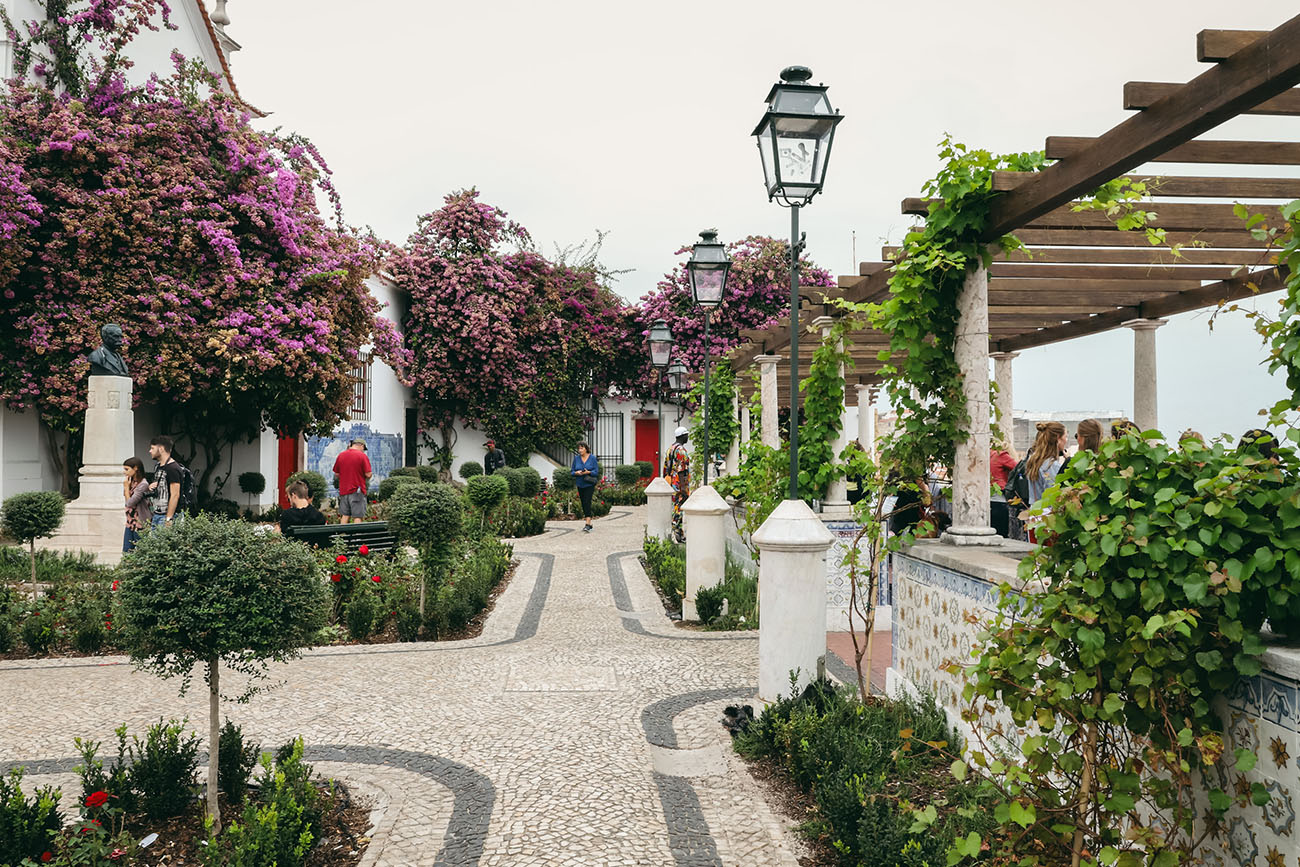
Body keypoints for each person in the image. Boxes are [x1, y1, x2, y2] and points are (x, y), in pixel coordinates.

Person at [147, 435, 186, 527]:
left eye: (152, 448)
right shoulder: (158, 466)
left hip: (169, 515)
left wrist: (169, 519)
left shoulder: (173, 468)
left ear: (161, 449)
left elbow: (175, 495)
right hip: (157, 514)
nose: (150, 451)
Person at [332, 438, 372, 524]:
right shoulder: (362, 456)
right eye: (363, 449)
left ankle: (341, 536)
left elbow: (336, 474)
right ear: (361, 445)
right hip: (357, 491)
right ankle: (357, 537)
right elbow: (368, 474)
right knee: (357, 517)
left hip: (343, 491)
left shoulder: (341, 455)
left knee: (345, 515)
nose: (363, 451)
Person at [662, 426, 691, 542]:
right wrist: (684, 488)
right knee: (680, 506)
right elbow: (682, 469)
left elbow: (666, 467)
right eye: (687, 435)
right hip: (680, 483)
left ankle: (678, 531)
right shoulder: (681, 451)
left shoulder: (670, 449)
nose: (688, 437)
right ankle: (677, 530)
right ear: (683, 436)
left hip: (672, 482)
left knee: (676, 505)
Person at [989, 438, 1018, 538]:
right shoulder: (1002, 455)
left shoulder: (988, 455)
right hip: (999, 500)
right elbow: (1019, 468)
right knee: (1001, 536)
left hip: (986, 501)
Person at [122, 457, 151, 552]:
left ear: (135, 468)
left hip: (140, 523)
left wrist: (126, 488)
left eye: (127, 469)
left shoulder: (143, 484)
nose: (124, 472)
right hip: (130, 522)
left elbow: (129, 503)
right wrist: (128, 487)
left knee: (141, 552)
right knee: (127, 551)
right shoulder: (132, 482)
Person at [570, 441, 600, 533]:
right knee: (583, 502)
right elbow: (572, 472)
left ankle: (587, 523)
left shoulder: (592, 458)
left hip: (589, 484)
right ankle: (589, 523)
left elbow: (596, 472)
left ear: (586, 448)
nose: (580, 450)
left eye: (582, 448)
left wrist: (588, 472)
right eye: (579, 448)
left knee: (587, 501)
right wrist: (576, 473)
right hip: (580, 483)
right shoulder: (576, 459)